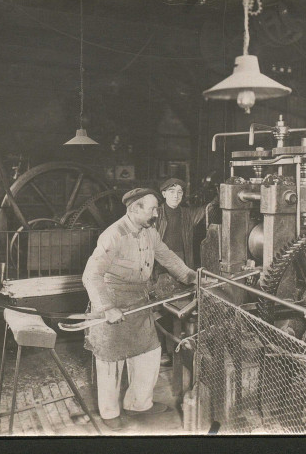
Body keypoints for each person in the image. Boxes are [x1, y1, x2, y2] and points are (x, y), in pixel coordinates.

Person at [82, 188, 198, 431]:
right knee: (111, 360)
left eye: (157, 208)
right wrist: (107, 307)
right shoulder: (113, 235)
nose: (157, 213)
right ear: (134, 209)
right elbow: (91, 275)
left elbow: (167, 257)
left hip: (139, 299)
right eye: (153, 208)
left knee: (148, 353)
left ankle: (138, 403)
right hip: (112, 300)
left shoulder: (150, 232)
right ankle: (110, 412)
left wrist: (191, 277)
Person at [153, 178, 206, 366]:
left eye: (180, 192)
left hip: (183, 265)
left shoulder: (187, 214)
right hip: (160, 268)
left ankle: (181, 349)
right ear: (164, 194)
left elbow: (209, 209)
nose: (176, 196)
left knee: (183, 309)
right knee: (161, 309)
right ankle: (163, 352)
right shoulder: (155, 213)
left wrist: (219, 193)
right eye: (172, 191)